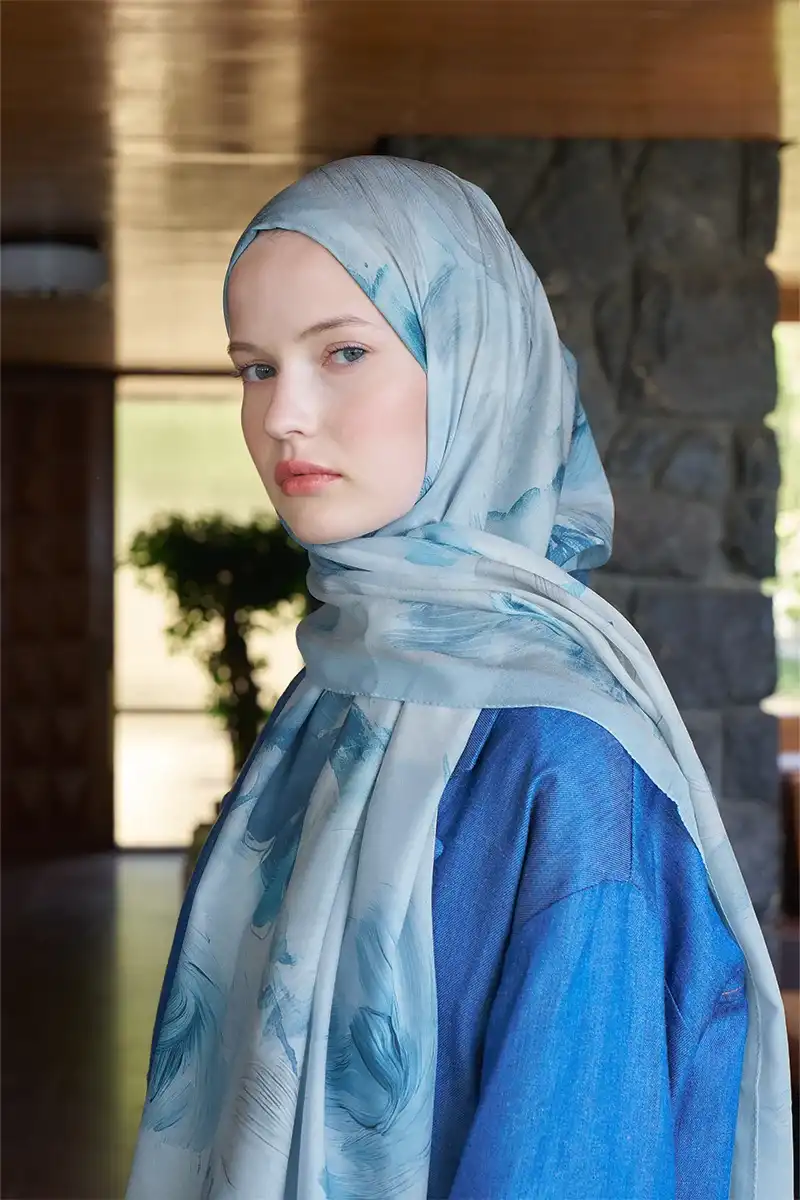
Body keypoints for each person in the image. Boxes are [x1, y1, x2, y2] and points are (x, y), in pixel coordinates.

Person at [126, 156, 793, 1200]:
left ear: (477, 368)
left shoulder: (563, 758)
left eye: (343, 352)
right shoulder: (334, 693)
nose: (283, 415)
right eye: (254, 368)